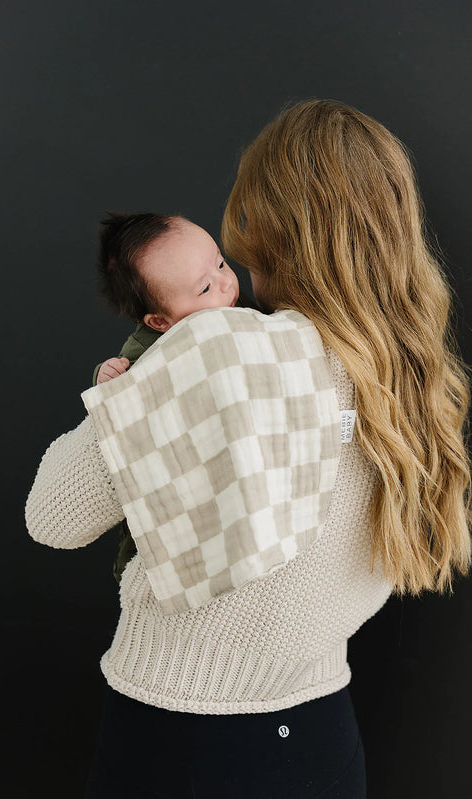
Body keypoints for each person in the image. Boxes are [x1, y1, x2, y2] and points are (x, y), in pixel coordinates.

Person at [24, 99, 472, 798]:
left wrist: (121, 394)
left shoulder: (218, 351)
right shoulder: (413, 377)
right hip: (321, 736)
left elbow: (51, 518)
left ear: (266, 225)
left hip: (183, 738)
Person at [88, 212, 261, 592]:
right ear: (160, 322)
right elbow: (121, 395)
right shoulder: (149, 347)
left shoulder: (236, 307)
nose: (226, 283)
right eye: (204, 289)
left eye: (220, 262)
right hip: (171, 470)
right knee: (152, 519)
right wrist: (108, 377)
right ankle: (131, 565)